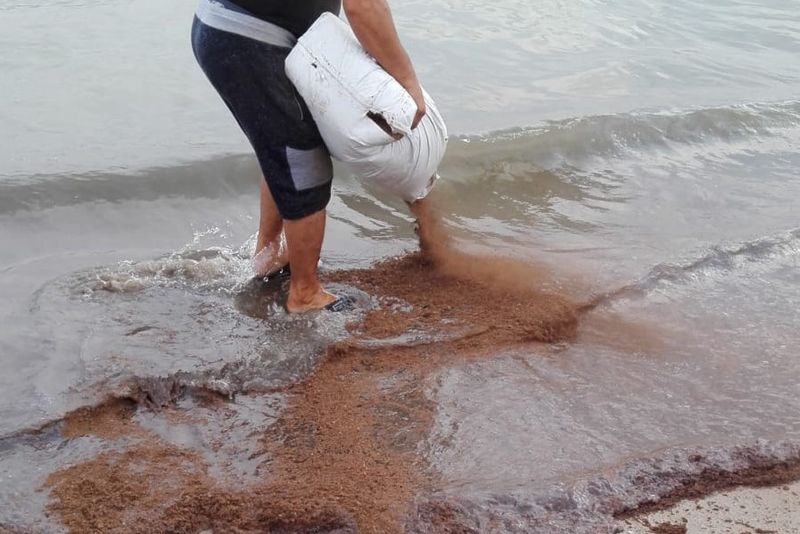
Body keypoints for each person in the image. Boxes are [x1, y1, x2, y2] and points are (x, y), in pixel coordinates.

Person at [191, 0, 426, 312]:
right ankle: (304, 293)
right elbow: (363, 6)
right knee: (303, 160)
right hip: (247, 37)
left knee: (282, 148)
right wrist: (408, 83)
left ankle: (270, 255)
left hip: (237, 30)